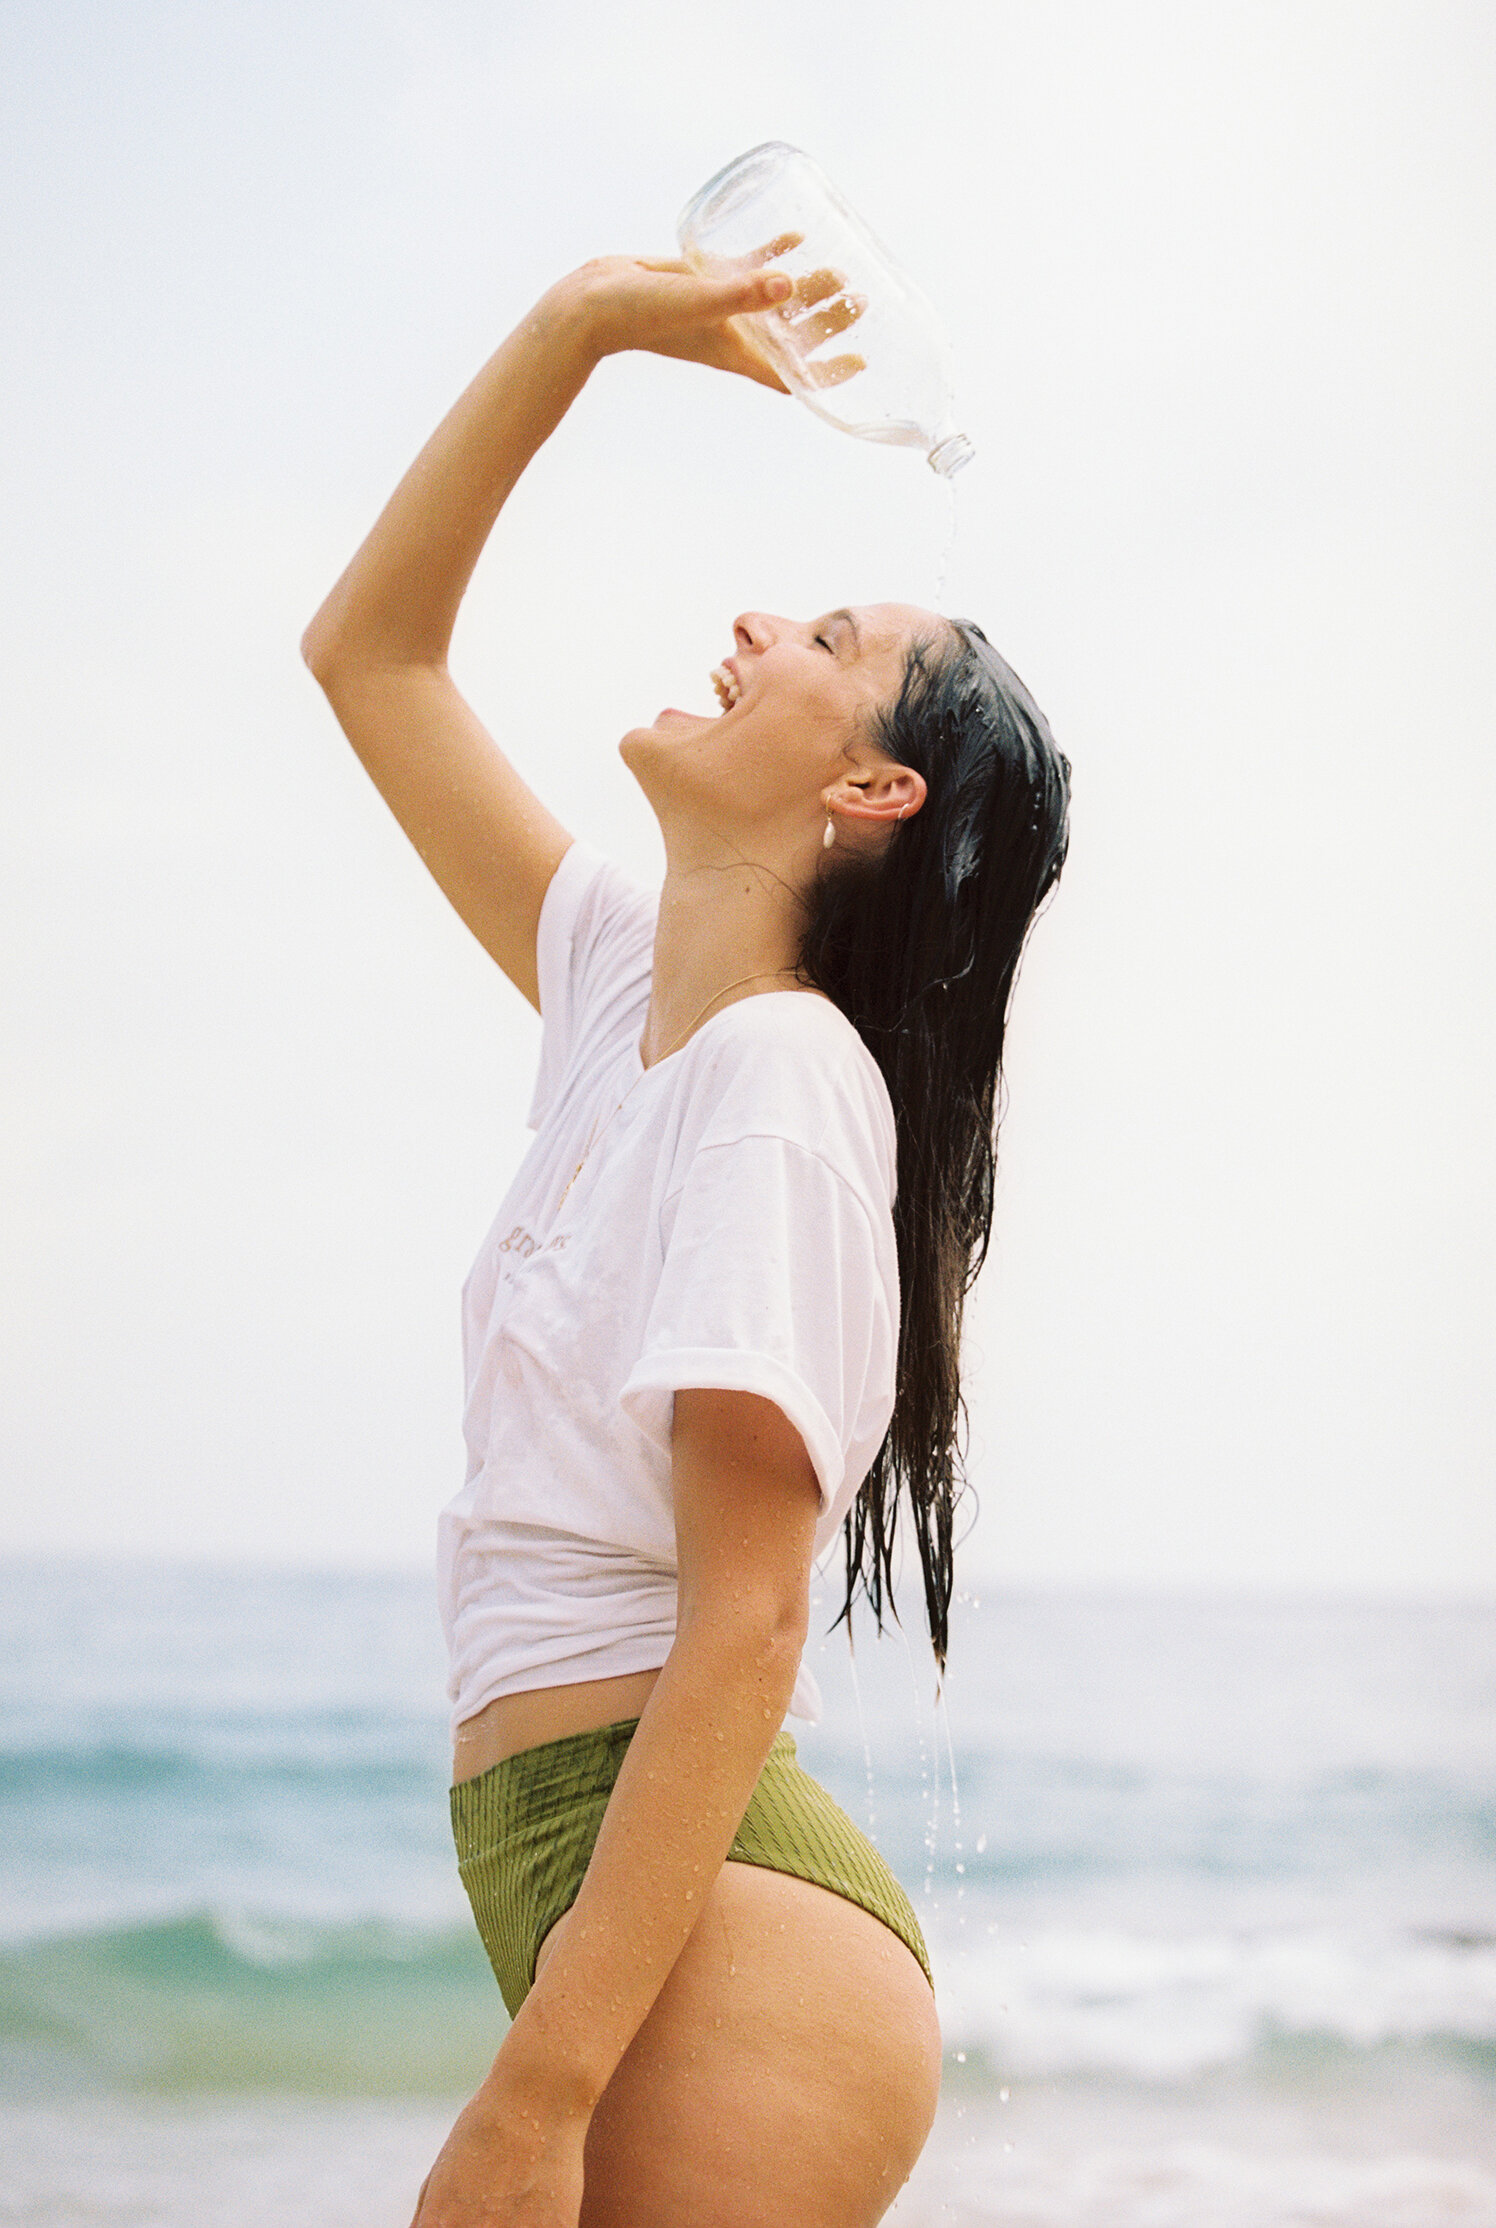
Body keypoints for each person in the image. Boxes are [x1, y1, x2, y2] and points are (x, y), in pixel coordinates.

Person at [301, 250, 1070, 2228]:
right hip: (602, 1866)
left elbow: (745, 1619)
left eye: (822, 632)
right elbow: (368, 654)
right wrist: (589, 325)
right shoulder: (621, 991)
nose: (749, 623)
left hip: (710, 1924)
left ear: (868, 785)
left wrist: (536, 2091)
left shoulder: (782, 1078)